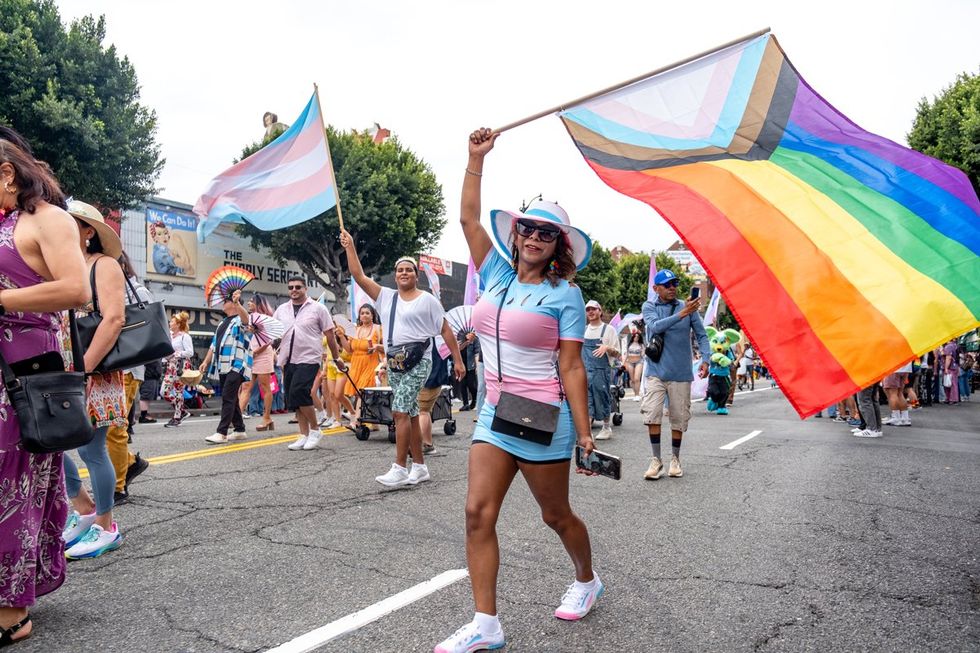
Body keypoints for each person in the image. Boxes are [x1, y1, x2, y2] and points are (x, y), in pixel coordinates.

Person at [433, 128, 602, 653]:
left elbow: (572, 366)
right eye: (527, 228)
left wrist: (584, 434)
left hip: (540, 412)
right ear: (517, 233)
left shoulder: (565, 294)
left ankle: (586, 579)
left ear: (557, 248)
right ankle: (486, 625)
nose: (533, 237)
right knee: (476, 513)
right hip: (493, 411)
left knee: (555, 515)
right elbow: (466, 218)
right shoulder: (497, 274)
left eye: (545, 234)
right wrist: (474, 159)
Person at [0, 129, 89, 644]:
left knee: (15, 486)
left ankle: (12, 613)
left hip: (24, 373)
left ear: (7, 173)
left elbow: (76, 288)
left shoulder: (48, 220)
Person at [340, 231, 464, 488]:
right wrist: (350, 246)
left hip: (420, 361)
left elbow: (445, 330)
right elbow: (359, 276)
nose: (404, 273)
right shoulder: (386, 296)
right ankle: (419, 467)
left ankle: (399, 467)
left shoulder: (427, 300)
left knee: (398, 411)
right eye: (400, 270)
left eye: (409, 270)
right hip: (395, 361)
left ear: (416, 275)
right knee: (410, 413)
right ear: (395, 276)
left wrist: (458, 360)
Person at [61, 200, 127, 559]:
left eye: (72, 222)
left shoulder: (103, 265)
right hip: (64, 369)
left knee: (91, 449)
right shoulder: (63, 265)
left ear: (90, 232)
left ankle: (105, 525)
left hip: (94, 370)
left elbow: (113, 319)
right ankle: (85, 508)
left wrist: (84, 368)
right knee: (49, 444)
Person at [640, 269, 711, 480]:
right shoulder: (649, 306)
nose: (672, 288)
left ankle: (675, 459)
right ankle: (656, 460)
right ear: (656, 288)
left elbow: (702, 335)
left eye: (675, 284)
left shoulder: (688, 307)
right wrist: (682, 313)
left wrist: (706, 359)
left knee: (678, 419)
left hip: (680, 372)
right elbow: (654, 326)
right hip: (655, 371)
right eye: (667, 284)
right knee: (652, 414)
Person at [273, 277, 343, 450]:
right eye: (290, 287)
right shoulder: (282, 309)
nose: (294, 290)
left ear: (306, 289)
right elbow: (273, 331)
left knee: (300, 391)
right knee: (294, 398)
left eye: (298, 287)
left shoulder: (318, 308)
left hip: (309, 357)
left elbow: (330, 336)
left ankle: (316, 429)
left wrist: (336, 357)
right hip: (288, 358)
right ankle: (303, 434)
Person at [108, 251, 150, 503]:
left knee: (114, 427)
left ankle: (118, 486)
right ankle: (131, 462)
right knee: (101, 428)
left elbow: (149, 333)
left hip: (127, 369)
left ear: (122, 265)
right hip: (105, 369)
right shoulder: (102, 290)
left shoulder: (137, 291)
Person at [199, 289, 252, 444]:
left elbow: (246, 320)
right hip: (222, 365)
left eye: (226, 301)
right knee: (231, 397)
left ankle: (221, 432)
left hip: (237, 364)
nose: (223, 303)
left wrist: (237, 302)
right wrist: (205, 362)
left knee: (228, 396)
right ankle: (240, 429)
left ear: (234, 304)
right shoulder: (222, 323)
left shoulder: (240, 319)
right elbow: (214, 345)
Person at [342, 304, 384, 428]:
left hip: (371, 363)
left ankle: (356, 421)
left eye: (367, 313)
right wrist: (341, 337)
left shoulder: (378, 329)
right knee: (359, 393)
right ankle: (374, 423)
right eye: (362, 313)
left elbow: (387, 348)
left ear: (373, 315)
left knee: (362, 391)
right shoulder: (355, 330)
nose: (364, 315)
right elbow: (349, 349)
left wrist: (377, 347)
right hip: (356, 364)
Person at [583, 300, 619, 440]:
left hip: (601, 370)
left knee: (602, 397)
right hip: (585, 370)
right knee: (586, 400)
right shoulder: (583, 330)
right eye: (588, 310)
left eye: (593, 309)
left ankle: (606, 427)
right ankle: (587, 431)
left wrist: (607, 348)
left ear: (600, 311)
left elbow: (617, 353)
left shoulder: (609, 330)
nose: (591, 312)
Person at [240, 293, 276, 431]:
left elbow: (268, 341)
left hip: (262, 354)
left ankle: (267, 418)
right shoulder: (251, 319)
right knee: (246, 387)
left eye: (251, 301)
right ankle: (235, 417)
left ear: (259, 304)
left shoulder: (266, 319)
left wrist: (255, 352)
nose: (249, 303)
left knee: (265, 387)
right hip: (252, 354)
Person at [161, 311, 194, 427]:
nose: (170, 323)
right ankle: (182, 410)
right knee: (164, 391)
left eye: (172, 321)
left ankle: (177, 416)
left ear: (178, 324)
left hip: (181, 366)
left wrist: (177, 354)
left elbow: (190, 352)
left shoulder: (185, 336)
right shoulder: (169, 336)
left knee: (179, 391)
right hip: (170, 366)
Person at [419, 342, 452, 455]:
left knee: (422, 411)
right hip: (435, 377)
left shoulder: (417, 333)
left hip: (419, 375)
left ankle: (425, 444)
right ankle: (423, 443)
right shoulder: (440, 337)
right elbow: (450, 351)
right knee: (424, 411)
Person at [881, 362, 912, 427]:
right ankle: (905, 418)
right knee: (900, 393)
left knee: (892, 393)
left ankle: (896, 417)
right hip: (905, 368)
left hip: (893, 366)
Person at [624, 332, 645, 400]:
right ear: (633, 337)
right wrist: (624, 363)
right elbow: (626, 354)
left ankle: (637, 395)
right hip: (630, 362)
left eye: (638, 336)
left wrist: (643, 351)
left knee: (637, 379)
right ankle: (635, 393)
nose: (636, 337)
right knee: (632, 380)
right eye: (635, 336)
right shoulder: (629, 344)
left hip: (639, 361)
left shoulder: (641, 345)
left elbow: (643, 355)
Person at [942, 339, 960, 404]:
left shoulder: (948, 346)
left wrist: (946, 368)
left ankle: (950, 399)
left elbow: (948, 358)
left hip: (950, 367)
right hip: (955, 366)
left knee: (949, 383)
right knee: (953, 383)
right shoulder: (956, 345)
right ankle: (953, 398)